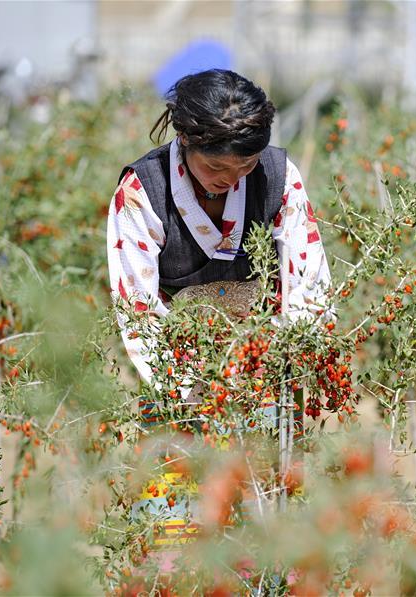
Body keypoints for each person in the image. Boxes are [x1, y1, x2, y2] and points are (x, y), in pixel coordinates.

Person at [106, 69, 331, 568]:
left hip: (262, 361)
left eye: (245, 164)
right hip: (175, 370)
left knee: (265, 506)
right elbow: (137, 309)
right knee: (177, 519)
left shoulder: (278, 177)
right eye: (215, 166)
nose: (230, 179)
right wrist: (193, 392)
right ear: (183, 140)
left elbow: (308, 282)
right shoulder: (142, 192)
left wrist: (282, 356)